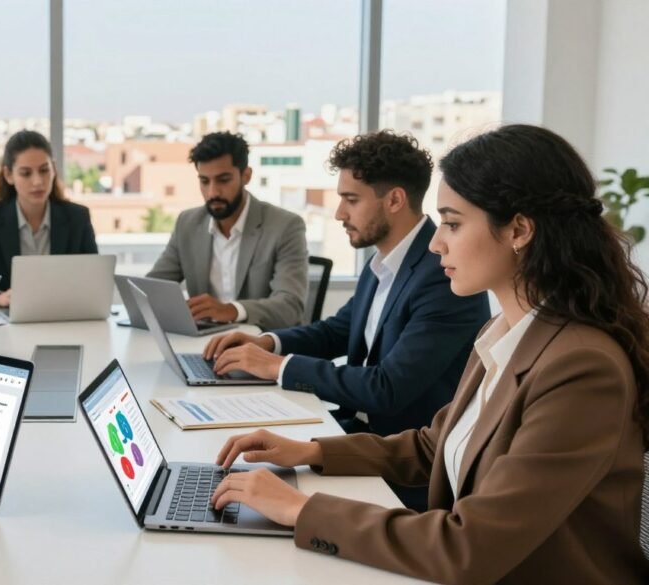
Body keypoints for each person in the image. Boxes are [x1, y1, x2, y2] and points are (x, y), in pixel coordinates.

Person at [210, 124, 649, 584]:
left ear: (519, 230)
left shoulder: (582, 368)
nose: (437, 242)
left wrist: (301, 509)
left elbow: (468, 548)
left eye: (453, 224)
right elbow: (435, 443)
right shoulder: (505, 334)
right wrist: (311, 450)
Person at [204, 131, 489, 436]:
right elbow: (336, 331)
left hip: (401, 456)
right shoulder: (382, 263)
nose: (339, 214)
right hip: (357, 432)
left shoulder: (443, 276)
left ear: (394, 200)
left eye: (351, 200)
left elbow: (386, 388)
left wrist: (277, 366)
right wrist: (268, 343)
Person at [146, 132, 307, 330]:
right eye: (204, 181)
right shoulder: (187, 224)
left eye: (223, 180)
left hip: (260, 347)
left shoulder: (285, 226)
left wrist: (232, 310)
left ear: (246, 176)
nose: (213, 192)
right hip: (203, 344)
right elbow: (150, 289)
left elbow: (290, 307)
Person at [0, 130, 97, 307]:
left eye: (44, 170)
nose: (37, 181)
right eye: (26, 173)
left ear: (53, 169)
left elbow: (94, 282)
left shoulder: (78, 218)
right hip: (8, 325)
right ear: (9, 175)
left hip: (65, 319)